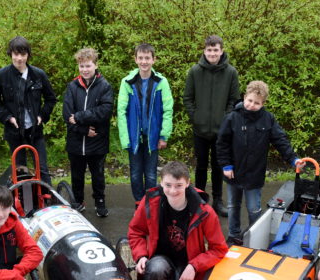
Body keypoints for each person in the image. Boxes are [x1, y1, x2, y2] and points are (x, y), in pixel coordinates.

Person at [128, 161, 228, 280]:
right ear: (161, 182)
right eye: (168, 185)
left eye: (178, 186)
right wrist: (141, 256)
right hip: (161, 261)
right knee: (154, 268)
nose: (172, 191)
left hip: (187, 268)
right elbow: (135, 231)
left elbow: (219, 249)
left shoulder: (204, 211)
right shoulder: (150, 201)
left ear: (188, 183)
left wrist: (195, 266)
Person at [217, 81, 303, 246]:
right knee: (233, 206)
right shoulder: (232, 117)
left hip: (254, 174)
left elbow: (280, 140)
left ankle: (253, 236)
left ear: (263, 103)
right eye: (249, 101)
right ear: (244, 98)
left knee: (253, 208)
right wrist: (226, 165)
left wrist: (293, 159)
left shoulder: (268, 119)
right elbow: (222, 143)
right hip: (233, 172)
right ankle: (233, 235)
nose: (252, 105)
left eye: (257, 103)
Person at [183, 35, 240, 217]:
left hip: (221, 131)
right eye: (209, 50)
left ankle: (218, 201)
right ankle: (199, 200)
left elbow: (234, 100)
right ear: (204, 51)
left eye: (216, 50)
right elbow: (187, 98)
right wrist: (196, 117)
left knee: (218, 166)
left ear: (221, 51)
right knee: (200, 166)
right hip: (200, 130)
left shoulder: (231, 72)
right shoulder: (194, 71)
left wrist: (226, 119)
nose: (212, 53)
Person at [0, 36, 57, 186]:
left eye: (23, 54)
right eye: (16, 54)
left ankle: (48, 201)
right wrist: (7, 117)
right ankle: (25, 203)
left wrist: (41, 116)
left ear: (28, 55)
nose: (19, 58)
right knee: (20, 169)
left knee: (42, 168)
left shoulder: (38, 75)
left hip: (35, 130)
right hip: (14, 131)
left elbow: (51, 99)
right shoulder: (1, 76)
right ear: (10, 54)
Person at [117, 43, 173, 208]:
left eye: (147, 58)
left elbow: (167, 111)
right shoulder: (127, 82)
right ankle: (139, 204)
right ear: (135, 59)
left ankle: (151, 204)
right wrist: (125, 138)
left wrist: (163, 135)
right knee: (135, 174)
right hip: (134, 137)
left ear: (153, 60)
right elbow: (121, 112)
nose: (144, 61)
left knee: (150, 174)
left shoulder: (161, 82)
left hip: (153, 137)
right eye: (140, 58)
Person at [62, 47, 113, 217]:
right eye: (82, 66)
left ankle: (100, 202)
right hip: (76, 140)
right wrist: (83, 129)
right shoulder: (72, 87)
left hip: (97, 141)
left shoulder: (104, 86)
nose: (85, 70)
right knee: (77, 175)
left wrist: (80, 116)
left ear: (95, 65)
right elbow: (67, 116)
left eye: (88, 66)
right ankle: (78, 202)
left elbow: (104, 112)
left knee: (98, 175)